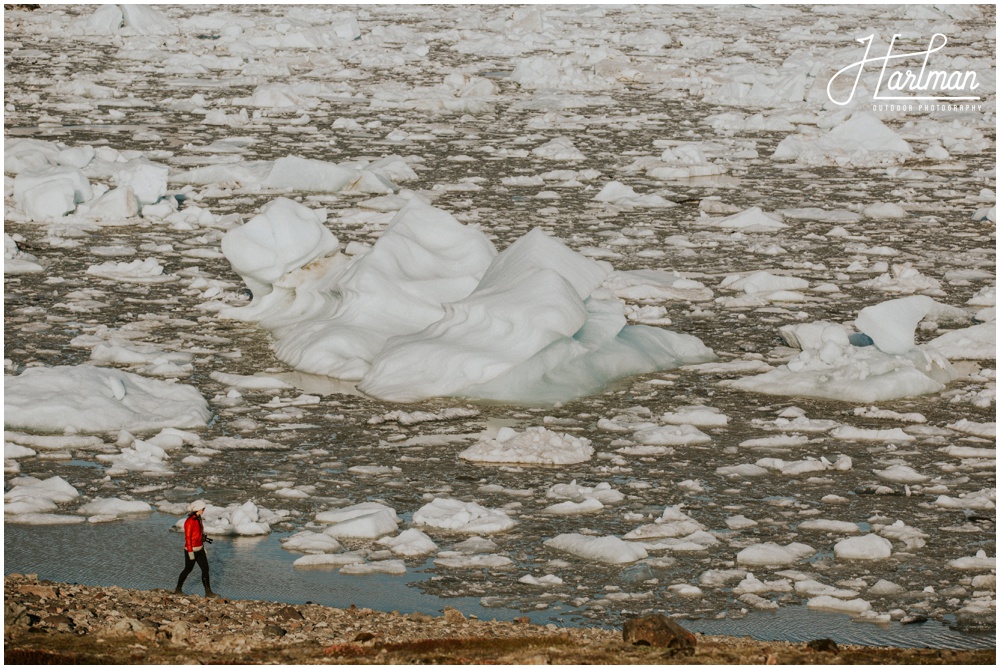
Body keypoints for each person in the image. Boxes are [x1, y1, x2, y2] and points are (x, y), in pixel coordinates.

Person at [175, 500, 218, 598]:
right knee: (188, 569)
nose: (204, 510)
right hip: (191, 550)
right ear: (198, 509)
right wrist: (190, 552)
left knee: (205, 569)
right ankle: (178, 589)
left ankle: (208, 593)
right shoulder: (189, 522)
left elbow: (198, 533)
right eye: (203, 509)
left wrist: (203, 540)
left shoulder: (198, 519)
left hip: (200, 548)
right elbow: (188, 538)